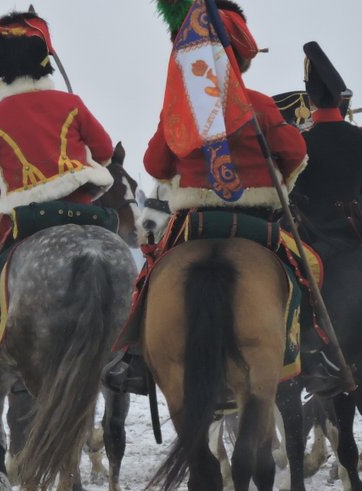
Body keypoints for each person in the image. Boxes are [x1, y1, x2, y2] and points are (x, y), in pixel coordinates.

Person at [106, 0, 308, 394]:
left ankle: (134, 360)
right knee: (306, 271)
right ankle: (314, 347)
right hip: (258, 223)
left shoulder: (178, 111)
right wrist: (276, 178)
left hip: (193, 221)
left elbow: (153, 163)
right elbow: (296, 152)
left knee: (149, 278)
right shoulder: (262, 105)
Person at [0, 4, 115, 363]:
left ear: (2, 66)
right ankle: (128, 353)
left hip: (22, 216)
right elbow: (104, 150)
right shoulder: (72, 103)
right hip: (85, 210)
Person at [290, 41, 362, 394]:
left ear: (310, 99)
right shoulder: (359, 137)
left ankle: (311, 357)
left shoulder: (300, 143)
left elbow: (288, 196)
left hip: (313, 241)